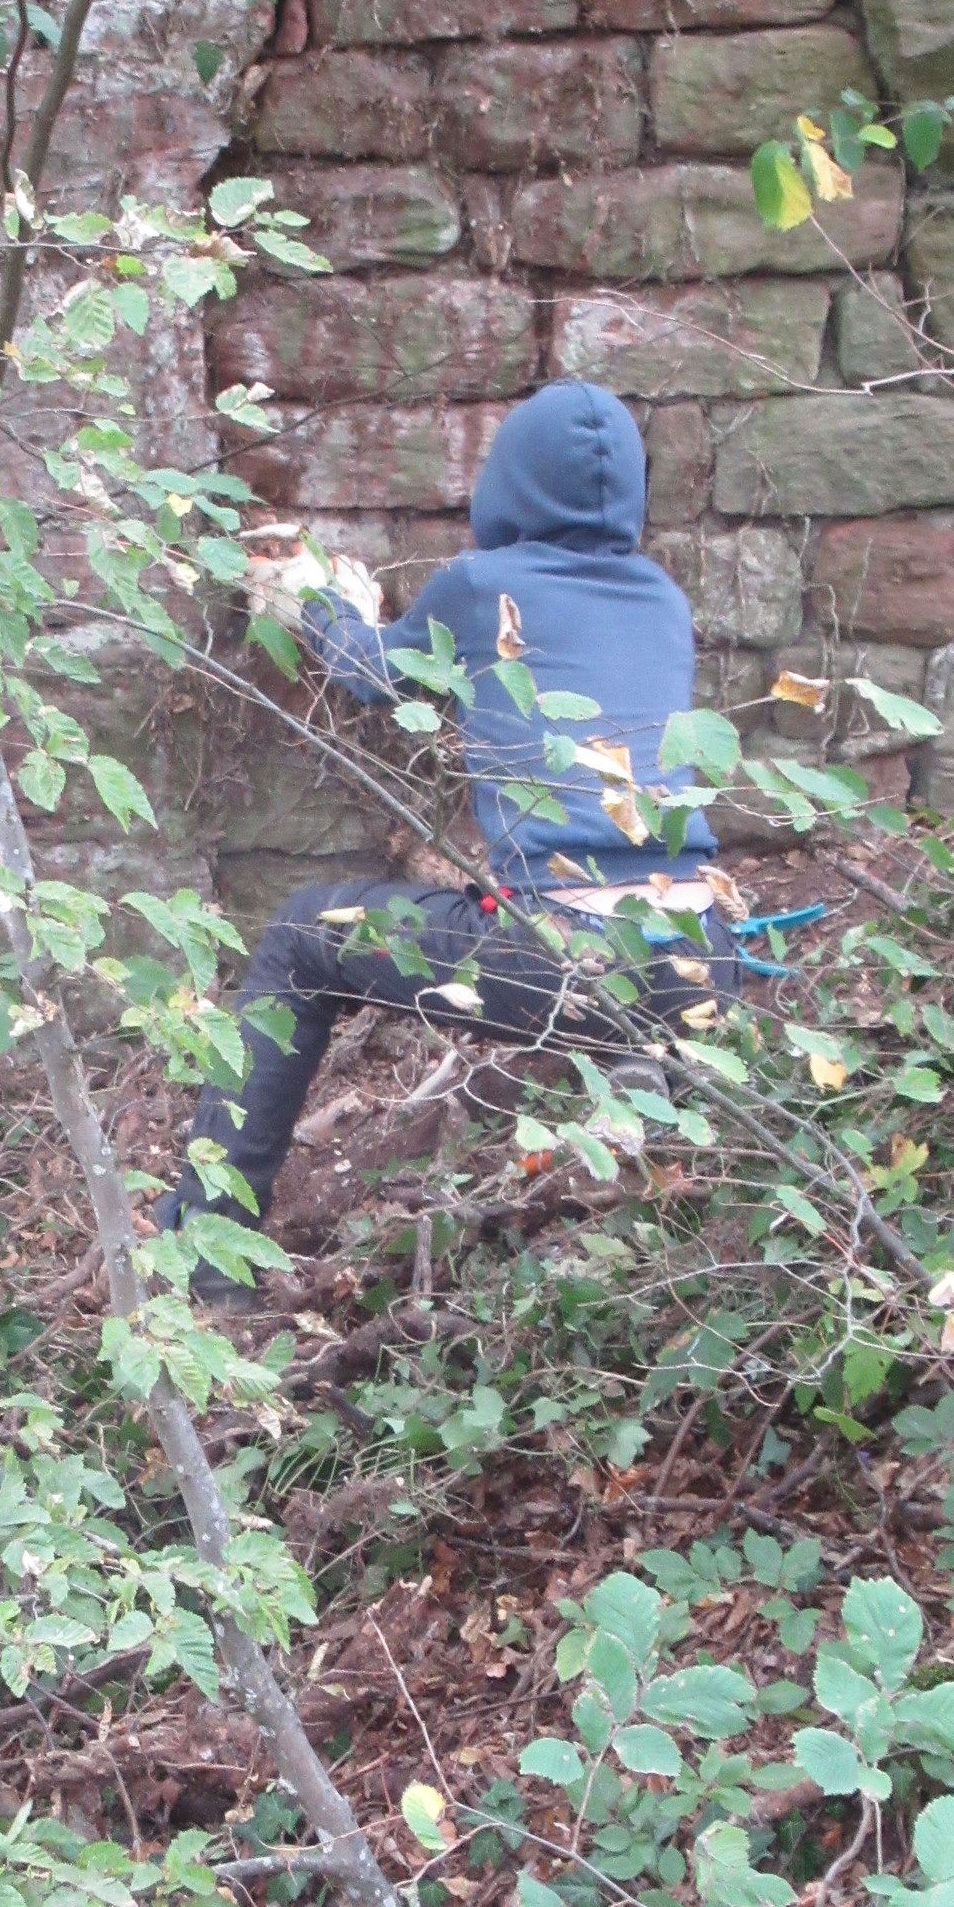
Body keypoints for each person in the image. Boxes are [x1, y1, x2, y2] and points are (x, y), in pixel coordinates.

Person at [157, 380, 740, 1260]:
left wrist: (317, 601)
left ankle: (209, 1255)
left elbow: (368, 674)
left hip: (565, 954)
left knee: (300, 937)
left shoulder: (481, 585)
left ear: (512, 483)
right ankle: (642, 1086)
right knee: (617, 962)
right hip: (704, 955)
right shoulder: (662, 598)